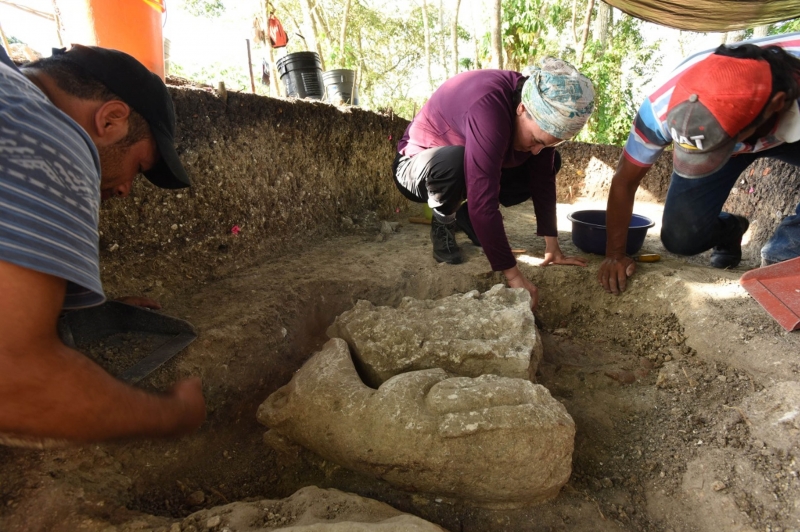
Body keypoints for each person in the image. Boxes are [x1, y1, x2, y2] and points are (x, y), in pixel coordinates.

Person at [0, 44, 206, 445]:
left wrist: (77, 312)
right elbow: (14, 381)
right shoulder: (46, 134)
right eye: (139, 166)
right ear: (111, 120)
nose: (127, 189)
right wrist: (174, 415)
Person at [599, 33, 800, 295]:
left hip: (782, 129)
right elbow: (625, 180)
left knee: (788, 256)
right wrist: (615, 254)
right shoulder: (659, 110)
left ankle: (788, 251)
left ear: (775, 104)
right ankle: (730, 230)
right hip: (735, 136)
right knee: (682, 237)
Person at [392, 58, 595, 310]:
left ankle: (465, 216)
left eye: (545, 143)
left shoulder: (537, 111)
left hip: (469, 162)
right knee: (457, 163)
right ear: (521, 108)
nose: (535, 150)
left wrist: (552, 246)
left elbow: (543, 179)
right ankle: (444, 219)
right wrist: (514, 276)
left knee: (548, 163)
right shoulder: (490, 108)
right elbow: (483, 203)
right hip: (418, 167)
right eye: (534, 139)